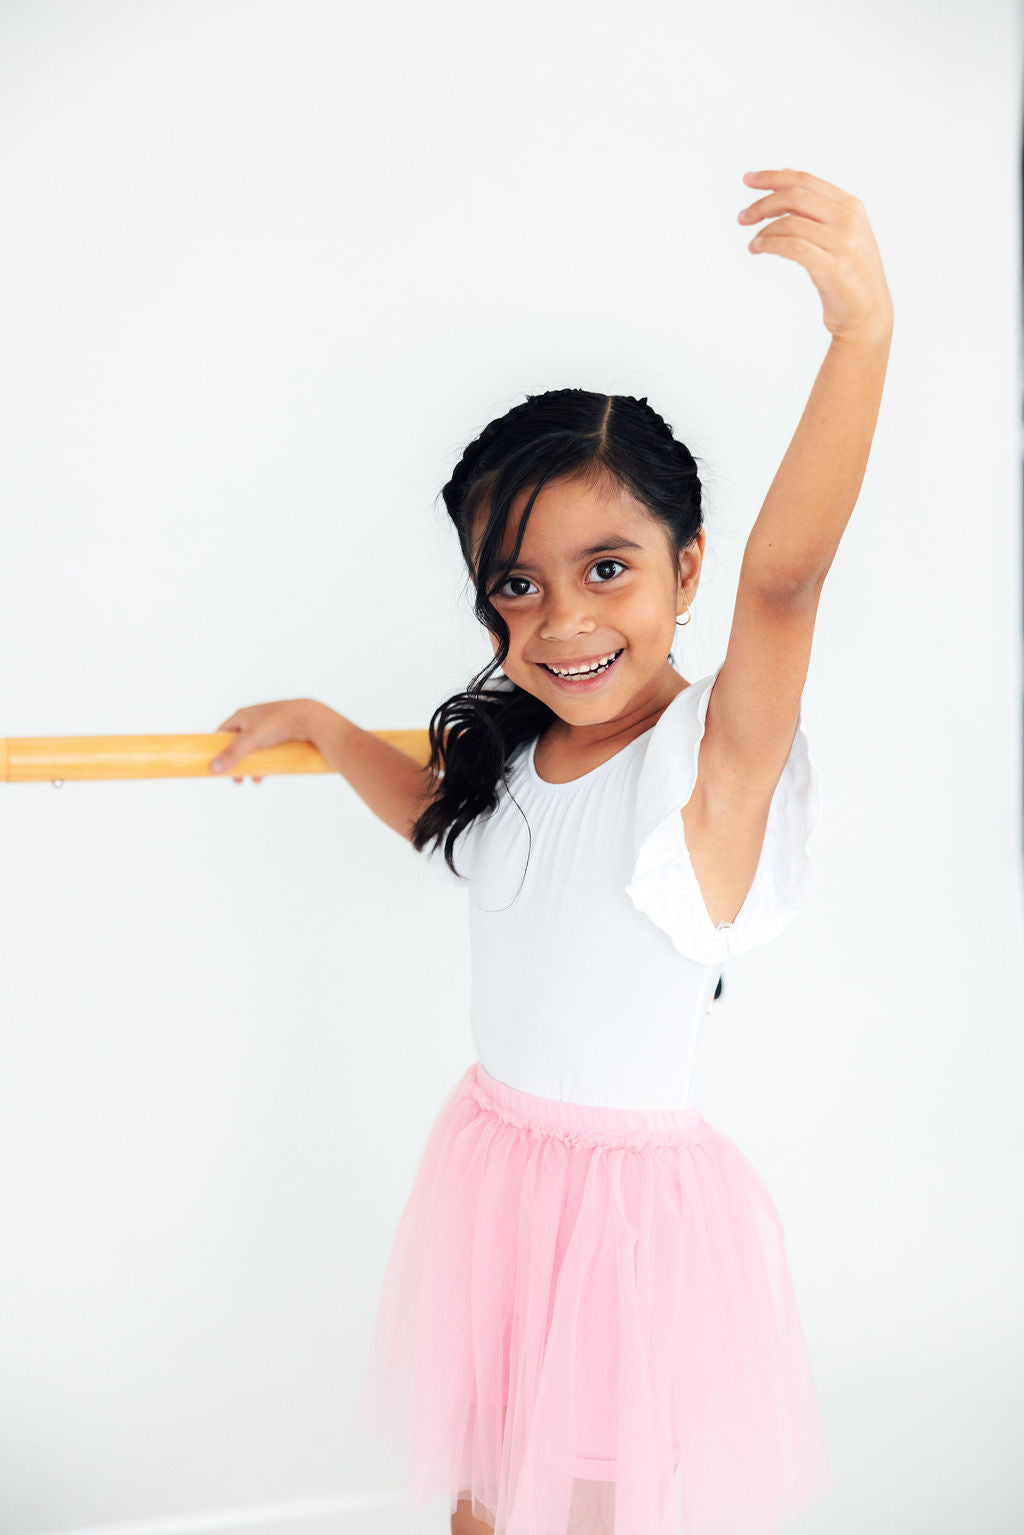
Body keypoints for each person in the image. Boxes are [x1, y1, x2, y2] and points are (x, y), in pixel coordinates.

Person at [208, 167, 894, 1535]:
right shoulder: (518, 754)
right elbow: (453, 835)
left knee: (582, 1510)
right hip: (495, 1177)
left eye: (608, 569)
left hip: (625, 1232)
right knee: (479, 1496)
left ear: (685, 567)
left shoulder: (709, 771)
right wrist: (330, 729)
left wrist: (859, 335)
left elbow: (789, 580)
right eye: (515, 585)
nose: (560, 621)